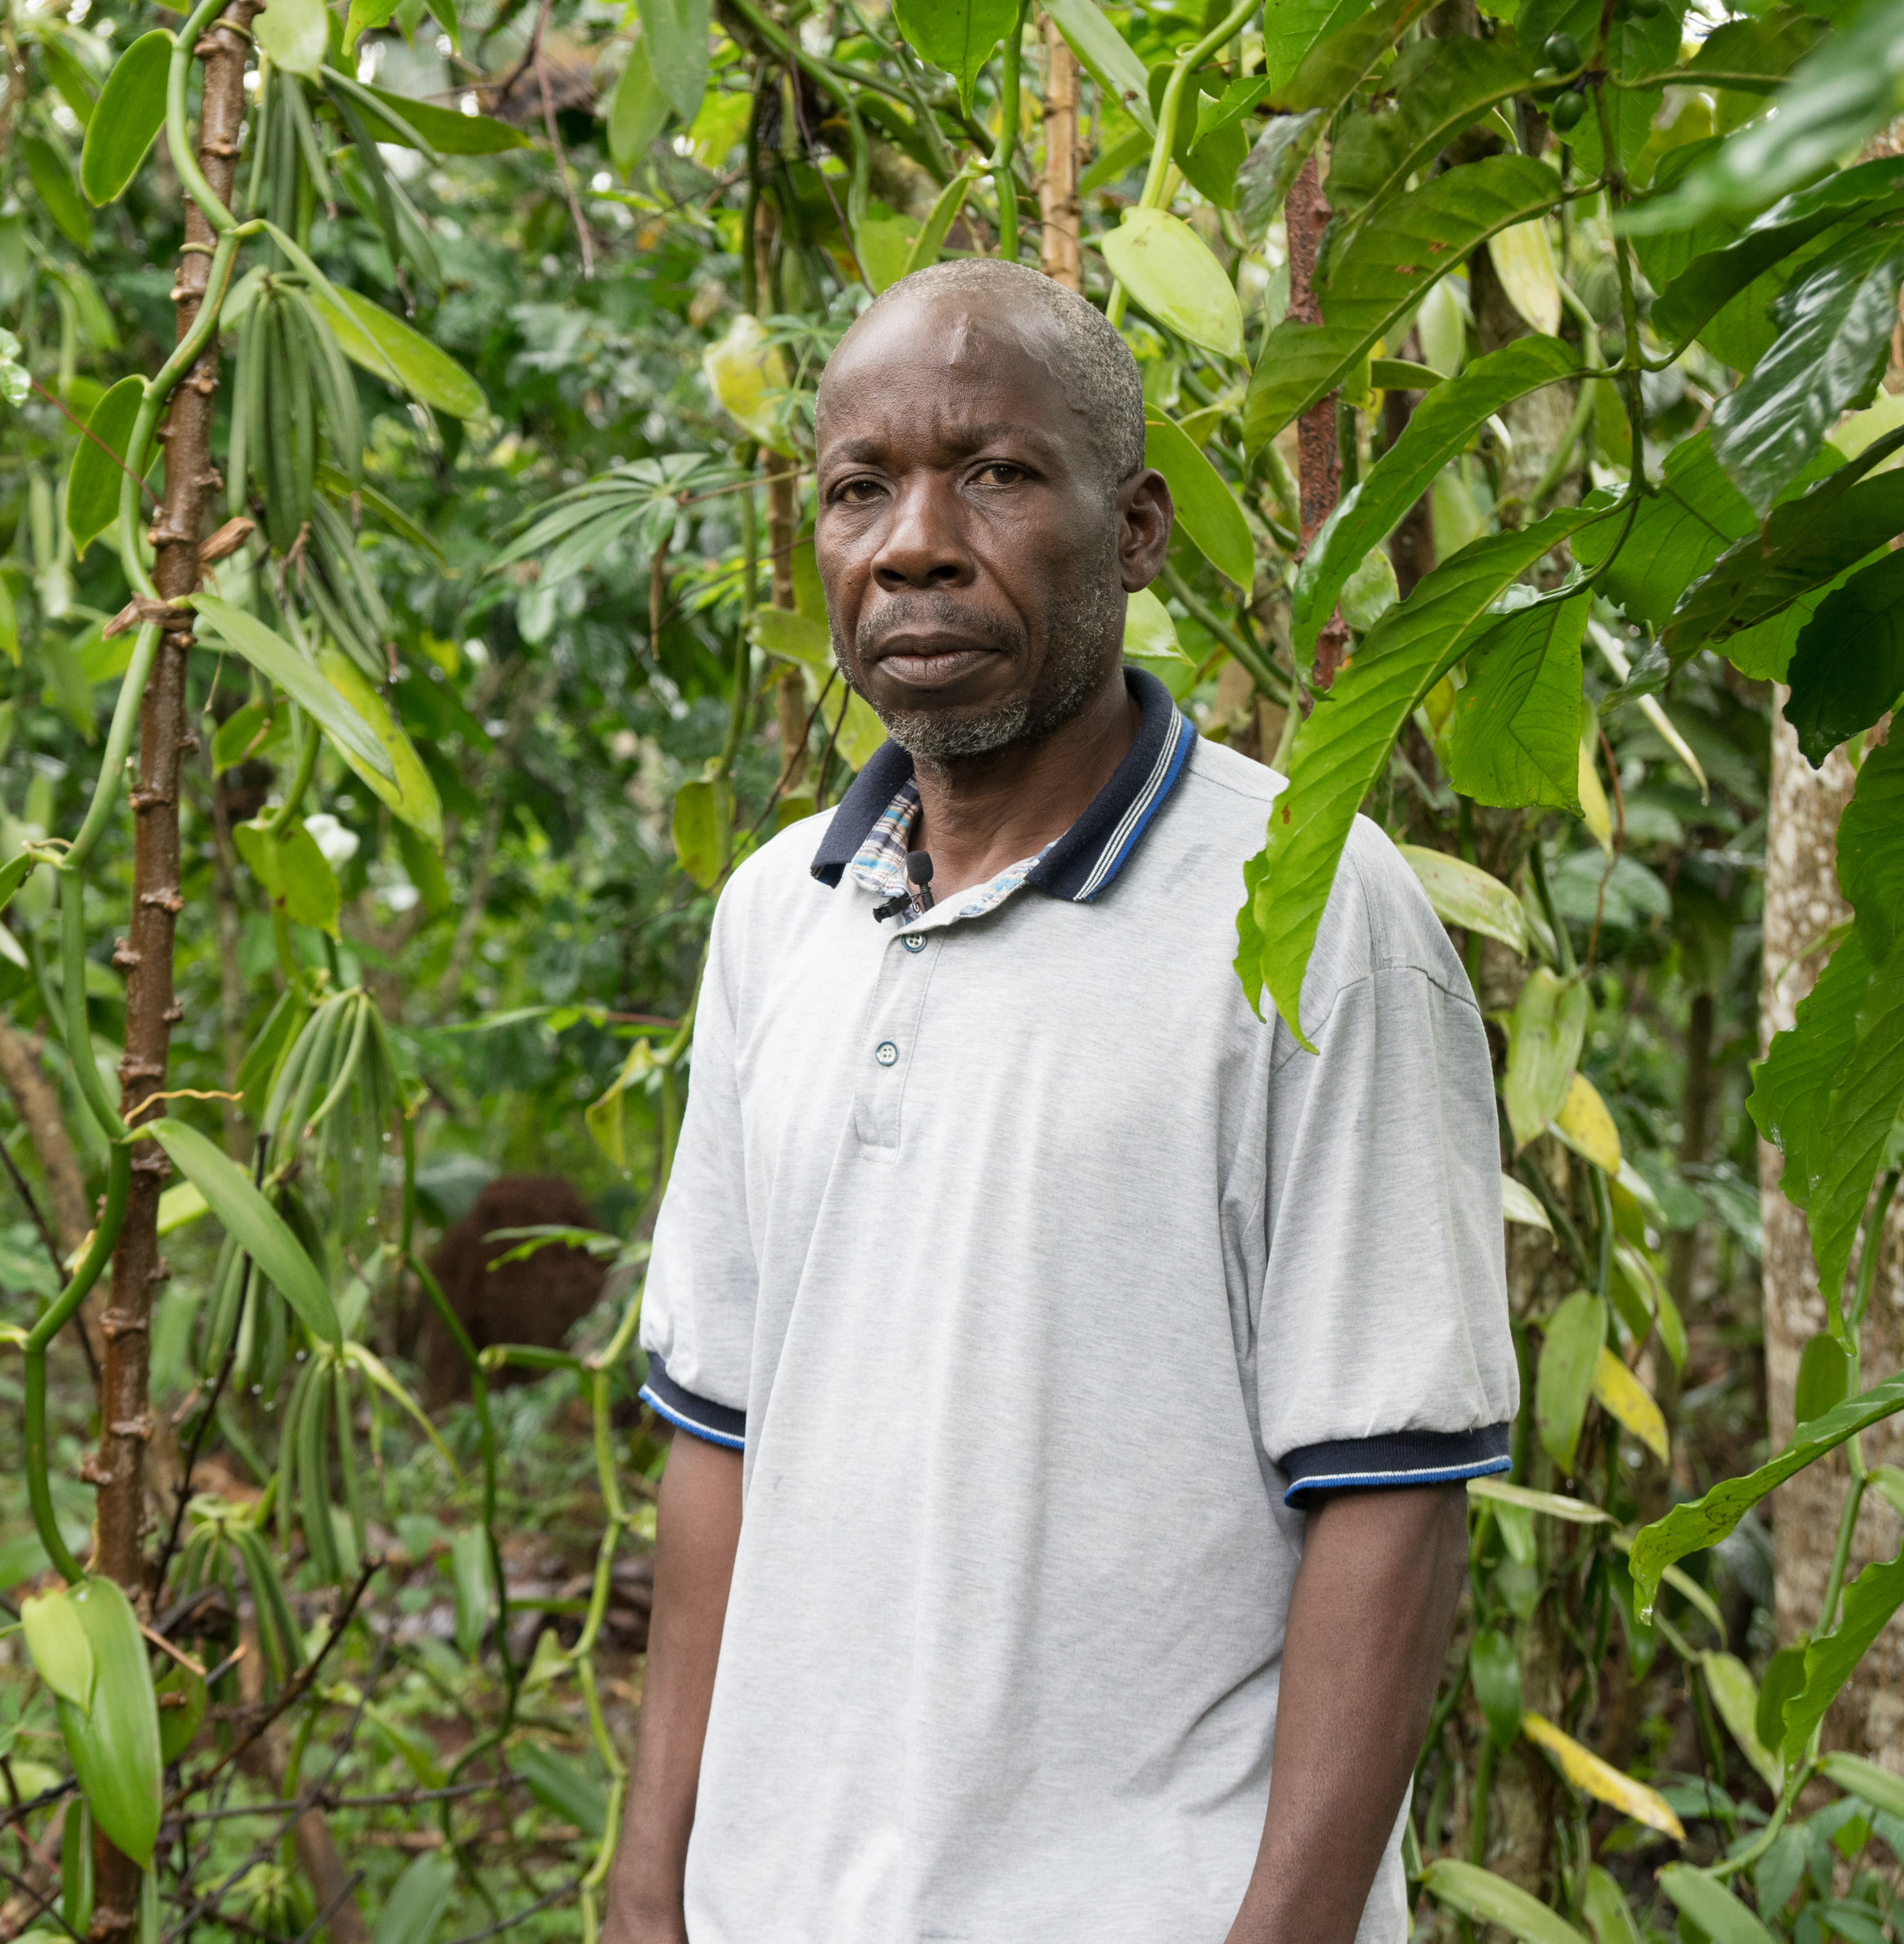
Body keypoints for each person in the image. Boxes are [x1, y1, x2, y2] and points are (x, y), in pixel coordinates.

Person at [606, 257, 1518, 1944]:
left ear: (1139, 527)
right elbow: (718, 1438)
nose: (912, 542)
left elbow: (1389, 1498)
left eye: (997, 474)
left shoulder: (1306, 910)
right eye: (857, 488)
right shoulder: (771, 920)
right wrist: (647, 1893)